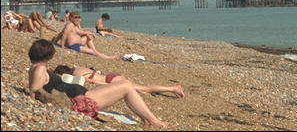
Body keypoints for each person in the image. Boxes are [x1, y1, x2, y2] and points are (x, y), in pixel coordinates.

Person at [28, 39, 171, 127]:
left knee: (125, 87)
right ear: (48, 54)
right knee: (126, 87)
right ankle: (153, 121)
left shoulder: (36, 67)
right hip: (83, 100)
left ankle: (148, 119)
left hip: (81, 96)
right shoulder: (40, 68)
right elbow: (35, 89)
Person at [54, 65, 185, 97]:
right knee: (143, 89)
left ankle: (174, 88)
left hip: (110, 80)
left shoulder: (76, 74)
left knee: (146, 89)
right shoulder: (78, 68)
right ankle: (171, 89)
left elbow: (94, 82)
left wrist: (108, 86)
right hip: (111, 76)